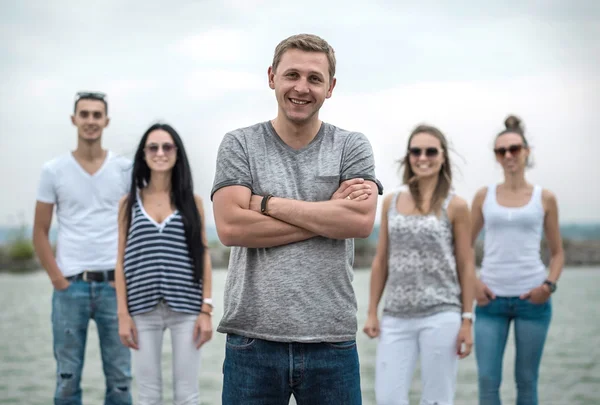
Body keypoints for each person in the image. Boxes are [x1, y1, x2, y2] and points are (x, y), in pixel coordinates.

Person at [211, 33, 383, 404]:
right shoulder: (240, 144)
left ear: (330, 87)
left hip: (331, 339)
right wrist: (326, 214)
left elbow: (359, 223)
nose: (301, 88)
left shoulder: (351, 146)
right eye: (292, 75)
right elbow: (230, 227)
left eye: (314, 78)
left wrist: (265, 203)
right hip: (251, 340)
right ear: (272, 76)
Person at [362, 125, 476, 405]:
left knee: (437, 400)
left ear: (443, 157)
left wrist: (467, 320)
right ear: (408, 156)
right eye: (416, 151)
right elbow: (381, 261)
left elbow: (466, 265)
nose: (422, 157)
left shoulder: (456, 205)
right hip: (396, 316)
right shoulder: (390, 201)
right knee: (388, 398)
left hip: (442, 314)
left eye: (430, 151)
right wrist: (372, 313)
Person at [33, 91, 133, 405]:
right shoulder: (53, 170)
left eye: (97, 115)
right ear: (74, 119)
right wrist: (57, 280)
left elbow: (134, 227)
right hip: (70, 287)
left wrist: (125, 278)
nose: (91, 120)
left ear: (106, 121)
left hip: (114, 287)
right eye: (85, 114)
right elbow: (39, 230)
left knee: (120, 382)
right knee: (66, 379)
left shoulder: (124, 169)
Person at [114, 123, 213, 404]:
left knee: (187, 395)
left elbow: (203, 255)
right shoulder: (127, 204)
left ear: (177, 153)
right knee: (147, 396)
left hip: (187, 309)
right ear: (143, 154)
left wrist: (206, 309)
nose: (160, 152)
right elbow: (120, 261)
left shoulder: (192, 203)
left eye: (167, 146)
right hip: (141, 310)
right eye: (153, 147)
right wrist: (123, 314)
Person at [471, 115, 564, 405]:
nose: (509, 155)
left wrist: (548, 286)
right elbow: (463, 245)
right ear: (497, 157)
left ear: (526, 151)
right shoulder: (484, 196)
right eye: (502, 151)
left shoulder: (544, 198)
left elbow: (558, 253)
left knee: (526, 382)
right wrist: (473, 282)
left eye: (514, 148)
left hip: (532, 301)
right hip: (490, 302)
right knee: (487, 382)